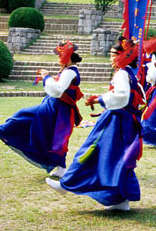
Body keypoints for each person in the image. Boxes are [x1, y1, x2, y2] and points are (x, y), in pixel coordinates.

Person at [46, 37, 145, 211]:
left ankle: (66, 184)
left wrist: (100, 99)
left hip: (116, 120)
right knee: (117, 158)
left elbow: (122, 97)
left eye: (114, 55)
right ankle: (120, 200)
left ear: (122, 56)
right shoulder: (129, 73)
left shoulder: (122, 73)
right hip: (125, 121)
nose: (111, 58)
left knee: (91, 150)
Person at [0, 41, 83, 178]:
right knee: (53, 136)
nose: (58, 59)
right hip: (54, 106)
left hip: (58, 108)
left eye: (60, 55)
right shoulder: (67, 71)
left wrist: (46, 77)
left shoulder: (69, 72)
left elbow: (57, 90)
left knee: (55, 136)